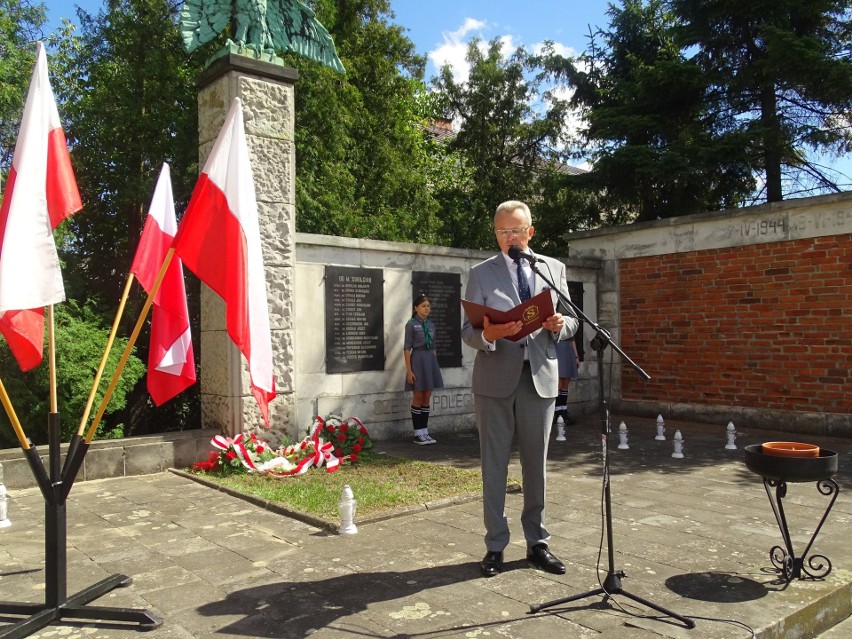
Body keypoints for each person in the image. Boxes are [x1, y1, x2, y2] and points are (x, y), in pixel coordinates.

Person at [461, 200, 579, 578]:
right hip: (495, 381)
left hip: (540, 378)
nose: (510, 237)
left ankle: (537, 543)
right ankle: (495, 545)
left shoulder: (552, 269)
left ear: (531, 232)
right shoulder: (481, 273)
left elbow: (574, 322)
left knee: (536, 466)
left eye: (516, 230)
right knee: (494, 465)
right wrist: (489, 335)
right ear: (495, 234)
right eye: (502, 231)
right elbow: (468, 332)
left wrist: (560, 324)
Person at [404, 293, 444, 445]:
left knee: (427, 396)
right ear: (416, 308)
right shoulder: (411, 324)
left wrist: (434, 367)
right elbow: (407, 348)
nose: (427, 308)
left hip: (430, 361)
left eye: (428, 306)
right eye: (423, 306)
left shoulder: (431, 324)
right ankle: (417, 433)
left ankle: (425, 431)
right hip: (418, 360)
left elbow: (433, 347)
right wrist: (409, 370)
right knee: (418, 397)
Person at [553, 338, 580, 427]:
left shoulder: (569, 324)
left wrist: (576, 356)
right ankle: (557, 413)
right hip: (556, 348)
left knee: (565, 384)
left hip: (568, 350)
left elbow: (572, 339)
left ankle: (564, 412)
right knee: (558, 384)